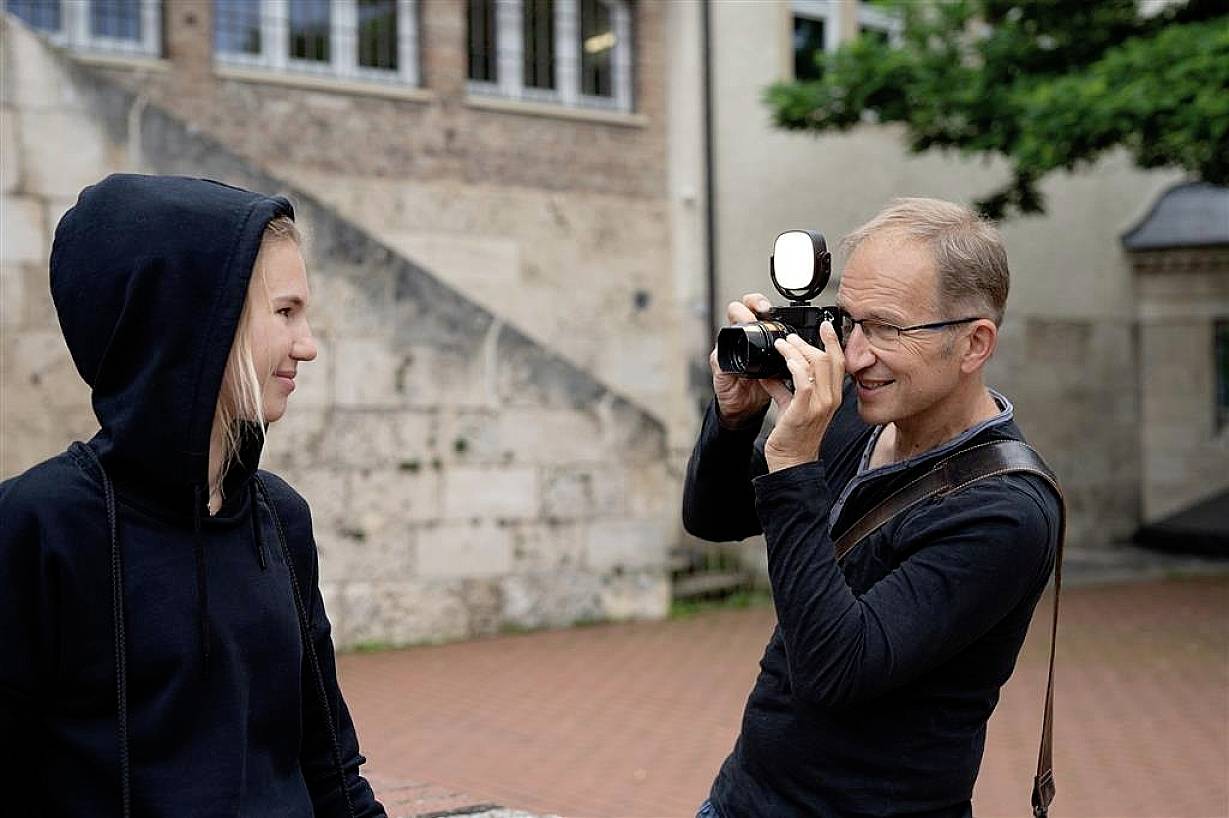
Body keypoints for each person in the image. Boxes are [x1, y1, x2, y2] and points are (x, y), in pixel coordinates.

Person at [0, 174, 386, 817]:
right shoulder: (40, 528)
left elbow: (330, 763)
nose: (308, 345)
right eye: (285, 312)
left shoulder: (280, 520)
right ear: (197, 317)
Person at [684, 198, 1061, 817]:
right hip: (741, 801)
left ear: (973, 344)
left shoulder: (1006, 510)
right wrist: (735, 416)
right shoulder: (854, 422)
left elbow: (837, 670)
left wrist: (795, 462)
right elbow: (714, 518)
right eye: (848, 322)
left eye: (887, 328)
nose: (854, 356)